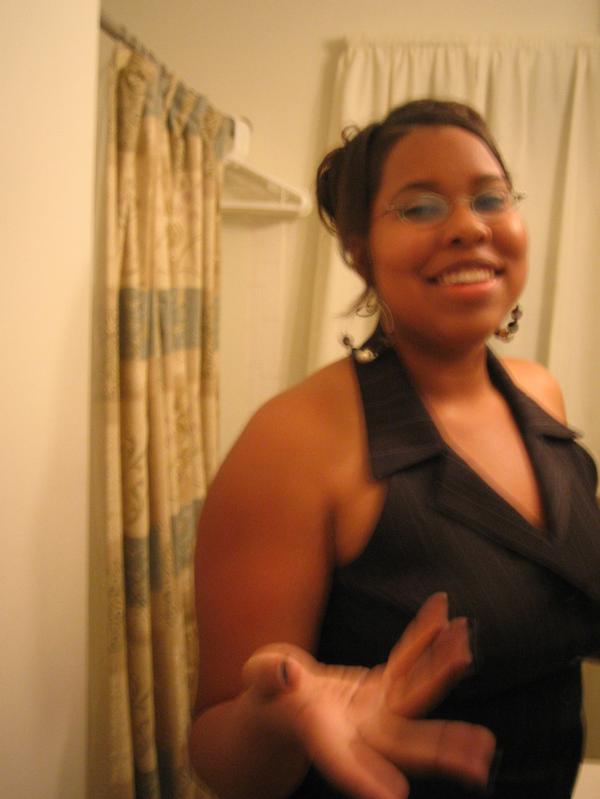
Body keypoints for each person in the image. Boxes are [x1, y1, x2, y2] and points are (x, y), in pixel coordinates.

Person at [189, 99, 600, 799]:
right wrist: (279, 716)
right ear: (359, 249)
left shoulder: (541, 396)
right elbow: (219, 756)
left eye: (490, 198)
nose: (469, 226)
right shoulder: (294, 441)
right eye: (419, 207)